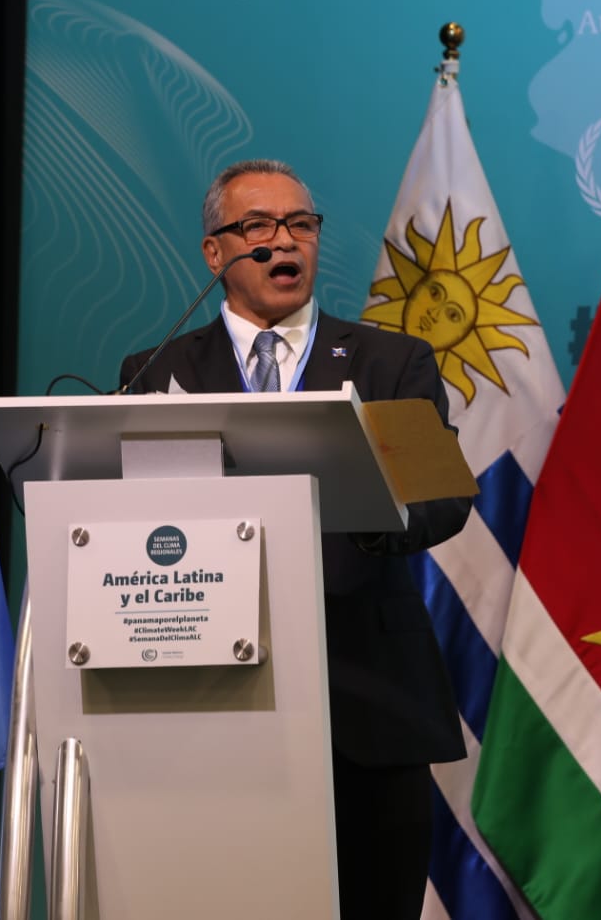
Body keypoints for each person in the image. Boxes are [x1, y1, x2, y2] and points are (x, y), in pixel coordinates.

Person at [118, 158, 471, 918]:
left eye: (300, 224)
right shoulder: (158, 371)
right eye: (259, 226)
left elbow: (441, 498)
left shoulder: (388, 362)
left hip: (367, 703)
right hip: (205, 704)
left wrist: (370, 506)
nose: (284, 241)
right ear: (215, 252)